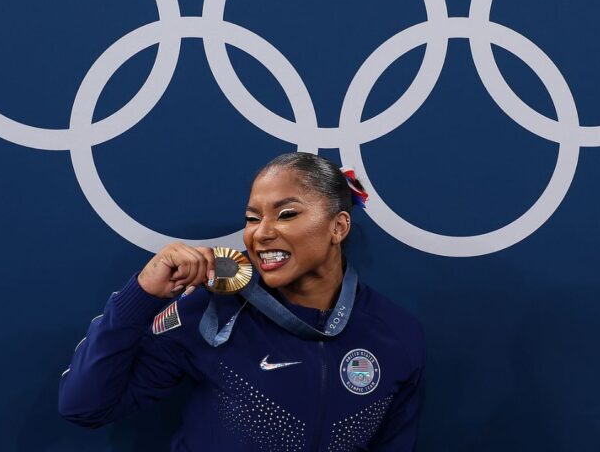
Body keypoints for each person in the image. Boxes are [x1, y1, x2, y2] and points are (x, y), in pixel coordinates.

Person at [58, 152, 426, 451]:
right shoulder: (210, 310)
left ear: (338, 227)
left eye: (286, 214)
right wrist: (140, 297)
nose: (261, 233)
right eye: (252, 218)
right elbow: (84, 406)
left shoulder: (397, 334)